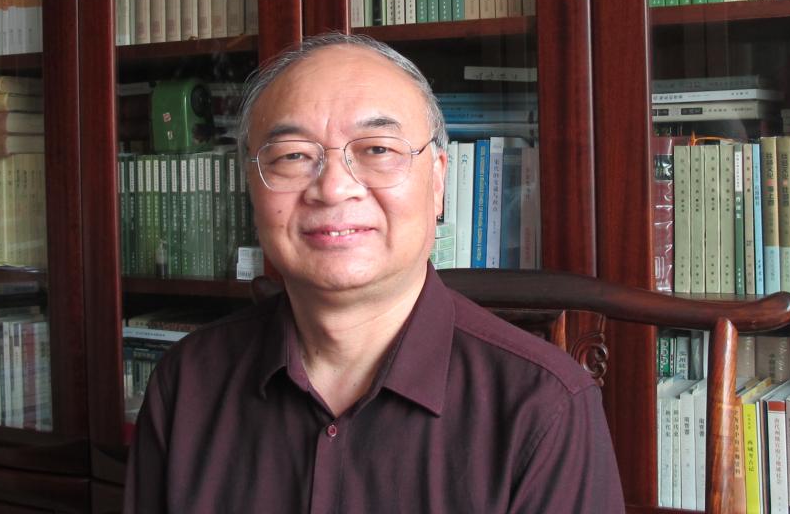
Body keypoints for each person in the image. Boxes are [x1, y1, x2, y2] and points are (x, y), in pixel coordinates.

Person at [124, 32, 624, 513]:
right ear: (252, 189)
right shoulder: (187, 384)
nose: (333, 188)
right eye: (294, 156)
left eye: (377, 150)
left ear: (438, 181)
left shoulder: (545, 406)